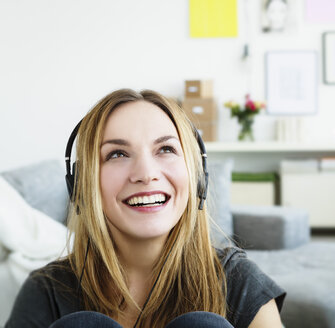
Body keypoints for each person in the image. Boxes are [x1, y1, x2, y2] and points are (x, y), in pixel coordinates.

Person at [5, 89, 286, 328]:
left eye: (165, 149)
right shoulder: (47, 290)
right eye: (117, 154)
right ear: (82, 185)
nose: (146, 173)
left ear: (196, 175)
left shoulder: (240, 282)